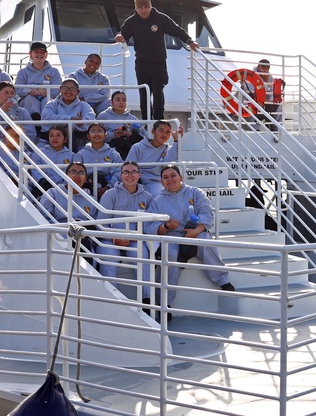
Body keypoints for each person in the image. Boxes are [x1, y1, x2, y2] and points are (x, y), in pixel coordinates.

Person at [146, 164, 234, 306]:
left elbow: (206, 213)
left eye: (173, 175)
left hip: (195, 231)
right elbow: (149, 226)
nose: (170, 179)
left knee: (205, 240)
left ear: (180, 177)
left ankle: (222, 280)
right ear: (162, 182)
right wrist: (166, 226)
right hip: (172, 236)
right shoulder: (157, 201)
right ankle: (164, 301)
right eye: (165, 177)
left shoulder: (196, 193)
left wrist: (196, 231)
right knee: (170, 253)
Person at [115, 0, 199, 120]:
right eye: (140, 8)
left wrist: (190, 41)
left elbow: (177, 30)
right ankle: (146, 122)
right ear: (136, 9)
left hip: (159, 63)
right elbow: (123, 35)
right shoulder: (131, 22)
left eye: (146, 7)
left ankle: (158, 121)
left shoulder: (160, 19)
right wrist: (119, 36)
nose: (144, 10)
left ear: (150, 7)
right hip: (142, 64)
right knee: (144, 94)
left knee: (158, 93)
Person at [98, 161, 154, 297]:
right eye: (126, 172)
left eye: (134, 172)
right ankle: (111, 299)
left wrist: (137, 236)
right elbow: (100, 223)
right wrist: (114, 238)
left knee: (142, 258)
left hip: (136, 239)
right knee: (108, 258)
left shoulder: (147, 197)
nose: (130, 175)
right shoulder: (110, 194)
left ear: (139, 175)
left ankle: (147, 301)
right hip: (110, 239)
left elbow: (150, 224)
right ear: (121, 175)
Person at [127, 120, 181, 196]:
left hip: (157, 183)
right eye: (161, 131)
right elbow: (129, 168)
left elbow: (168, 165)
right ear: (153, 131)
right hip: (136, 182)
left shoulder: (168, 149)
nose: (164, 134)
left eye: (167, 132)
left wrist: (176, 141)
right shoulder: (137, 147)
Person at [42, 78, 97, 150]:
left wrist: (72, 126)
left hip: (77, 138)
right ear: (60, 89)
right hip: (51, 138)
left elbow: (91, 119)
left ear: (78, 92)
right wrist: (70, 120)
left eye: (72, 89)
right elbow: (46, 117)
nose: (68, 91)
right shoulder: (52, 104)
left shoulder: (83, 105)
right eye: (65, 88)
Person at [14, 42, 63, 118]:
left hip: (47, 98)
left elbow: (58, 89)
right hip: (28, 101)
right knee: (30, 99)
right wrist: (32, 91)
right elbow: (18, 89)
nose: (39, 54)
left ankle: (46, 122)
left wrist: (44, 92)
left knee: (47, 100)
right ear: (30, 54)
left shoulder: (54, 71)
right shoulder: (23, 72)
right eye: (36, 52)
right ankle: (34, 121)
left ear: (46, 55)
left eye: (42, 52)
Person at [96, 90, 147, 159]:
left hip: (128, 149)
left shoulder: (132, 119)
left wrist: (131, 135)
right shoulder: (103, 116)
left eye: (124, 100)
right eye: (117, 100)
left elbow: (143, 137)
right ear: (111, 102)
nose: (121, 102)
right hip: (108, 149)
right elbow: (96, 135)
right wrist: (113, 134)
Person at [79, 122, 124, 197]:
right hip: (86, 189)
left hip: (109, 189)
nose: (96, 134)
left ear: (105, 135)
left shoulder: (113, 154)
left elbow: (118, 173)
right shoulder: (81, 154)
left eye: (99, 131)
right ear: (88, 136)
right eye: (93, 131)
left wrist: (108, 187)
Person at [33, 125, 79, 189]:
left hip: (65, 189)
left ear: (65, 139)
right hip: (43, 188)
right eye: (51, 136)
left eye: (58, 135)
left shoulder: (72, 156)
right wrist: (43, 182)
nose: (54, 138)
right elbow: (35, 170)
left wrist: (64, 186)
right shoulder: (39, 153)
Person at [254, 59, 284, 129]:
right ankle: (255, 128)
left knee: (278, 106)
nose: (265, 70)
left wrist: (271, 101)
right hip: (253, 101)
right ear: (258, 66)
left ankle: (277, 128)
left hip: (265, 102)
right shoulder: (252, 75)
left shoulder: (269, 77)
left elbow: (271, 92)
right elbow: (251, 92)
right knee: (253, 108)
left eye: (267, 68)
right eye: (263, 67)